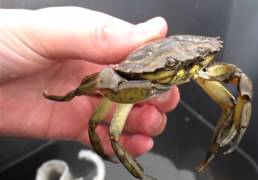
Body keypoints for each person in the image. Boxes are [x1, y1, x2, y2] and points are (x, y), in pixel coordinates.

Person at [0, 7, 180, 157]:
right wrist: (65, 96)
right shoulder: (119, 78)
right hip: (133, 78)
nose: (183, 69)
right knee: (110, 128)